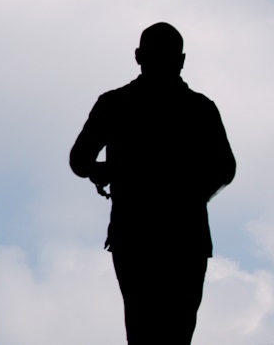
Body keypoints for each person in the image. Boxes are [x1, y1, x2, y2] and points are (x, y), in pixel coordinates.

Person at [70, 22, 235, 344]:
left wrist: (109, 172)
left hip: (134, 232)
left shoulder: (114, 103)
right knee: (179, 327)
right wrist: (189, 194)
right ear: (182, 59)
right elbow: (224, 169)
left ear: (138, 56)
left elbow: (80, 161)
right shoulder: (201, 108)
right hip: (186, 233)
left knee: (141, 324)